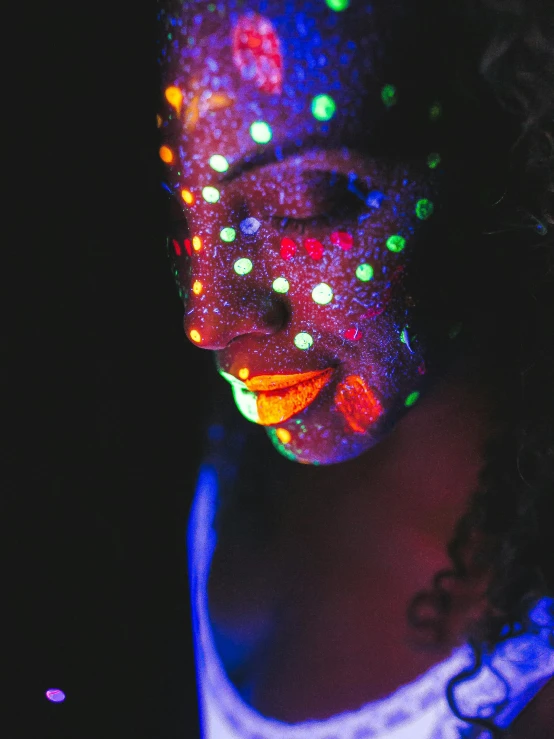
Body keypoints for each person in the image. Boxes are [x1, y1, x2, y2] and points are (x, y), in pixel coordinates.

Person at [157, 0, 554, 736]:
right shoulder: (219, 452)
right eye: (181, 210)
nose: (206, 319)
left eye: (301, 204)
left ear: (514, 148)